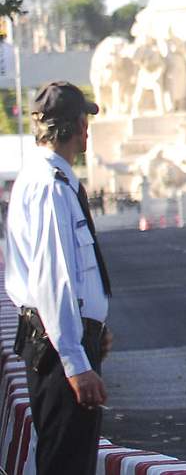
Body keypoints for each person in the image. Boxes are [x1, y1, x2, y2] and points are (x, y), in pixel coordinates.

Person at [4, 83, 113, 475]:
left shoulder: (50, 179)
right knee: (67, 463)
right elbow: (55, 279)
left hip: (60, 338)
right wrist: (75, 361)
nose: (87, 130)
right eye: (84, 122)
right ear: (77, 126)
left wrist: (93, 329)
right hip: (57, 345)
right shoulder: (50, 186)